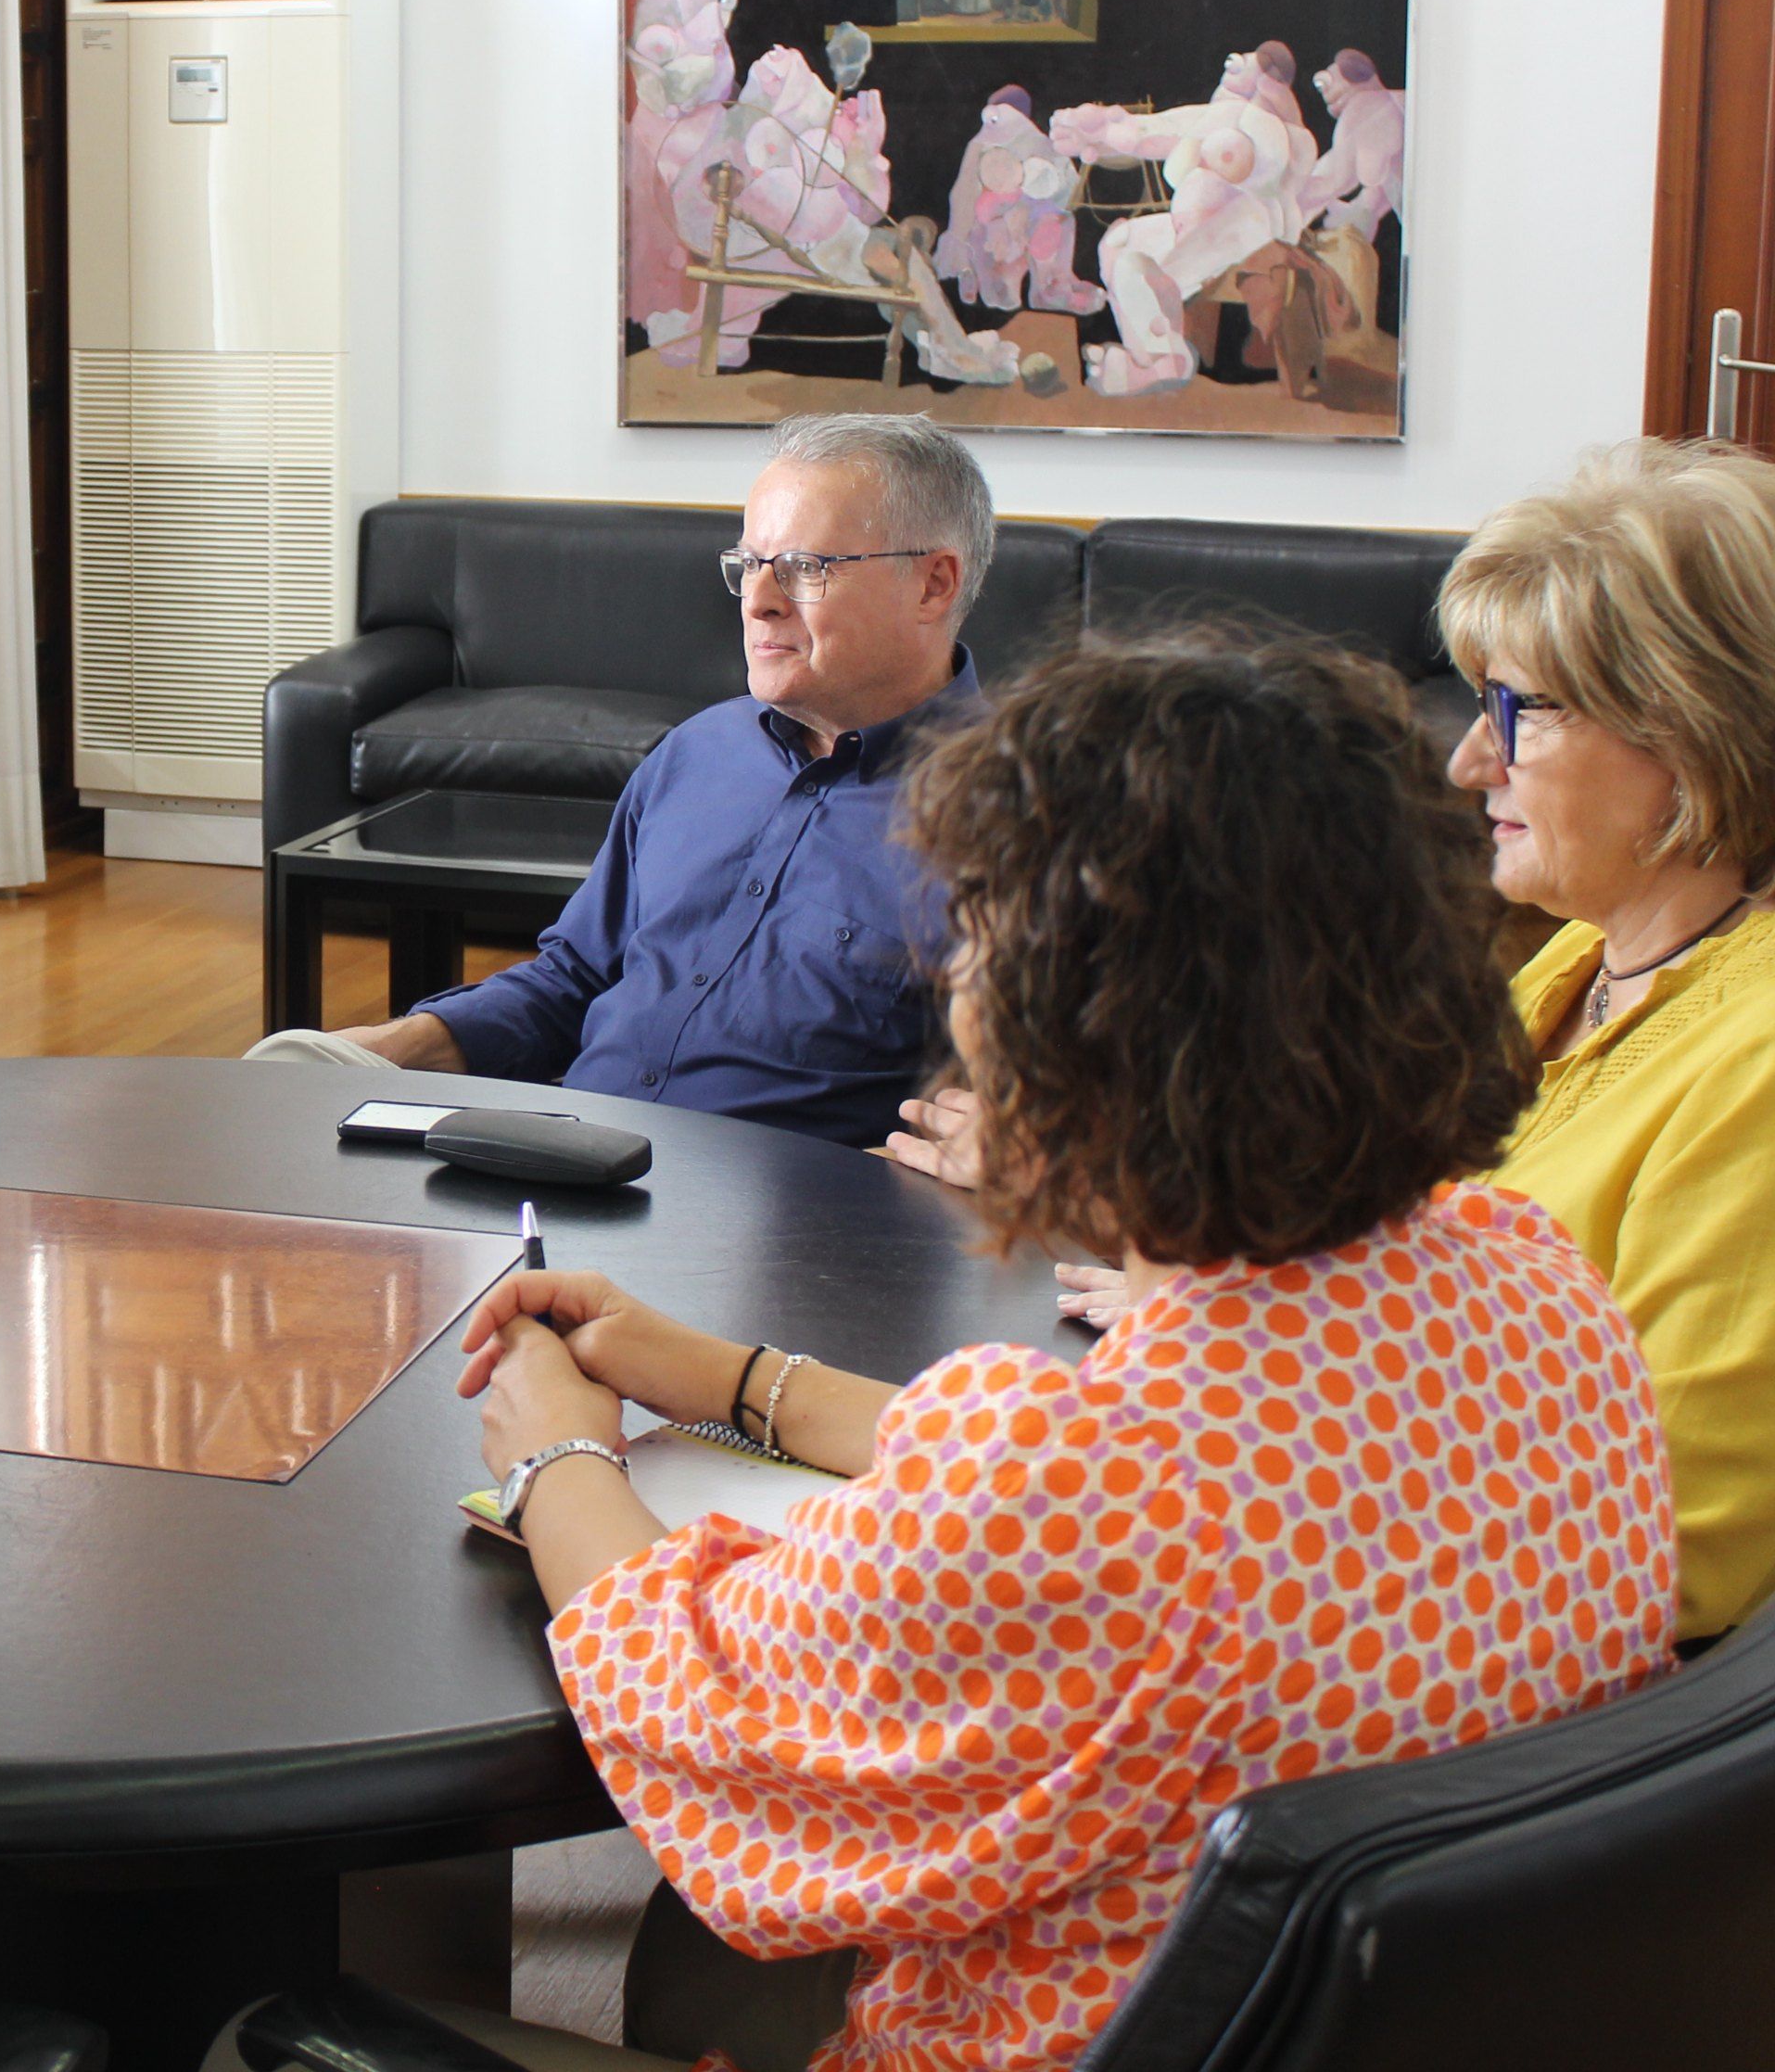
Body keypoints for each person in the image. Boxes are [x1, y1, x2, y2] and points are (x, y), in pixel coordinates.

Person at [456, 631, 1675, 2072]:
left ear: (1087, 1035)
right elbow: (1096, 1475)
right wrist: (729, 1378)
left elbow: (691, 1693)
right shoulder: (1533, 1283)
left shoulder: (1082, 1502)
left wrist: (554, 1452)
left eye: (974, 944)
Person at [892, 442, 1775, 1639]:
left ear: (1700, 731)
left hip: (1508, 1741)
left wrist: (1246, 1382)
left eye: (1519, 710)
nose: (1473, 759)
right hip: (1367, 1580)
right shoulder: (1599, 956)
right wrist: (1176, 1259)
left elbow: (1663, 1558)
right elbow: (1410, 1290)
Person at [258, 413, 990, 1149]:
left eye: (805, 567)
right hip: (570, 1166)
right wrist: (382, 1051)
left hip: (797, 1235)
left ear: (932, 585)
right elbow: (574, 979)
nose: (758, 599)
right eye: (749, 563)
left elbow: (1039, 1121)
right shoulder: (699, 753)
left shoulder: (1026, 826)